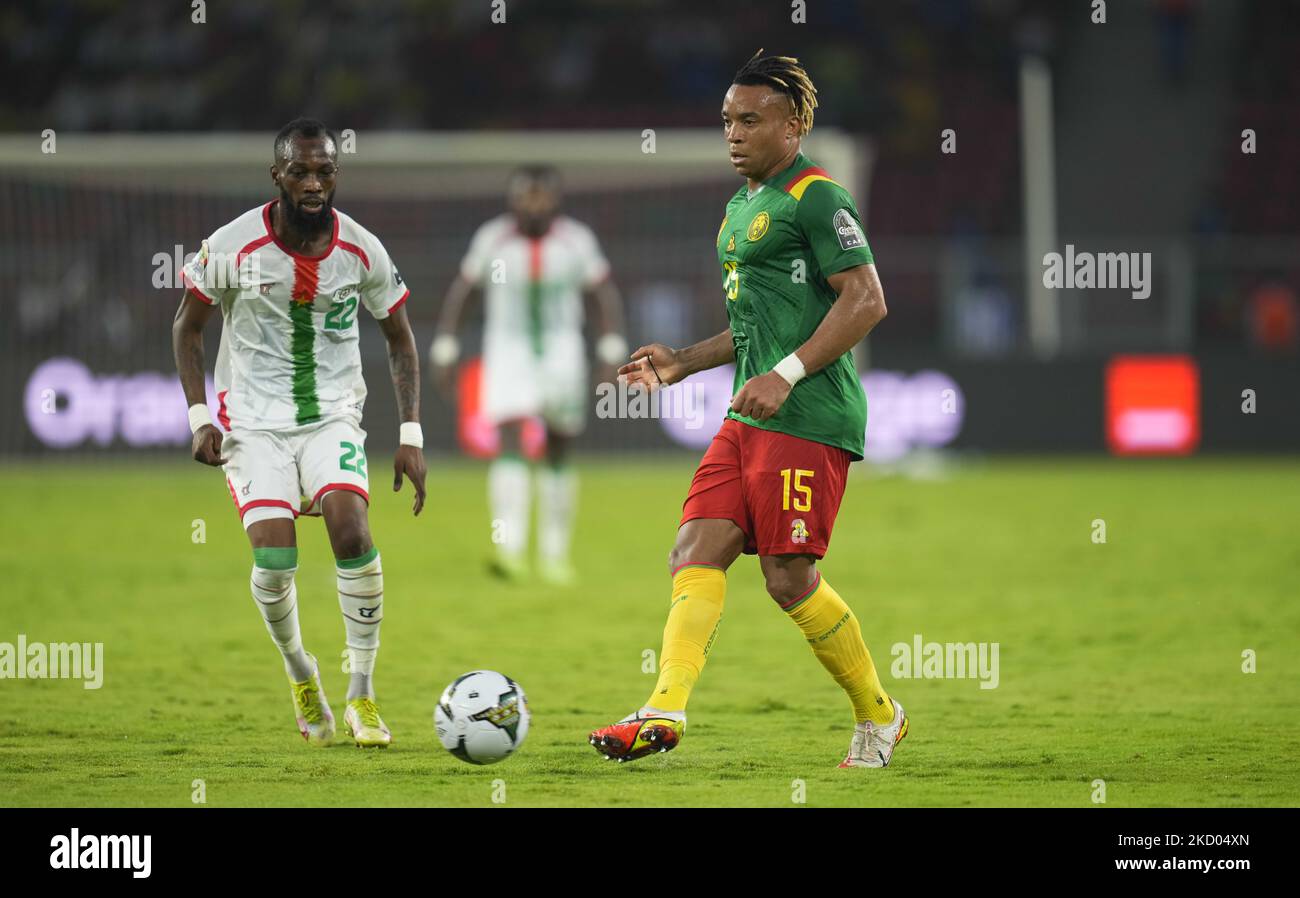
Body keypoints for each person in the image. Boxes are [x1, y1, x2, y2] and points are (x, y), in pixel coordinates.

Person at [588, 53, 905, 768]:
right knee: (694, 549)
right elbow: (760, 326)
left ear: (792, 127)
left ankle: (880, 714)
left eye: (750, 121)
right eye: (728, 120)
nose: (733, 134)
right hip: (749, 415)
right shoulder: (741, 208)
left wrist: (787, 374)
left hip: (809, 415)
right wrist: (682, 362)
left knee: (788, 578)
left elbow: (867, 299)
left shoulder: (819, 197)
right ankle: (663, 712)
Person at [172, 118, 427, 748]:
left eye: (324, 171)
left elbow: (400, 340)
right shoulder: (232, 246)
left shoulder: (363, 250)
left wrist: (412, 432)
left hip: (332, 415)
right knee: (276, 557)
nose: (313, 182)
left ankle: (362, 694)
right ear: (277, 175)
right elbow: (187, 327)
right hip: (252, 422)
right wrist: (199, 417)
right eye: (300, 171)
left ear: (336, 175)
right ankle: (301, 672)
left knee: (352, 530)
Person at [430, 165, 626, 585]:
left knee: (558, 447)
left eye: (541, 196)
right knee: (512, 440)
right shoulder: (492, 239)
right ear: (512, 200)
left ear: (555, 200)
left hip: (562, 350)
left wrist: (610, 347)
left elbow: (600, 294)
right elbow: (465, 292)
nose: (533, 204)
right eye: (525, 196)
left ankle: (555, 556)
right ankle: (510, 550)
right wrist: (446, 345)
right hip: (508, 350)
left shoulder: (576, 240)